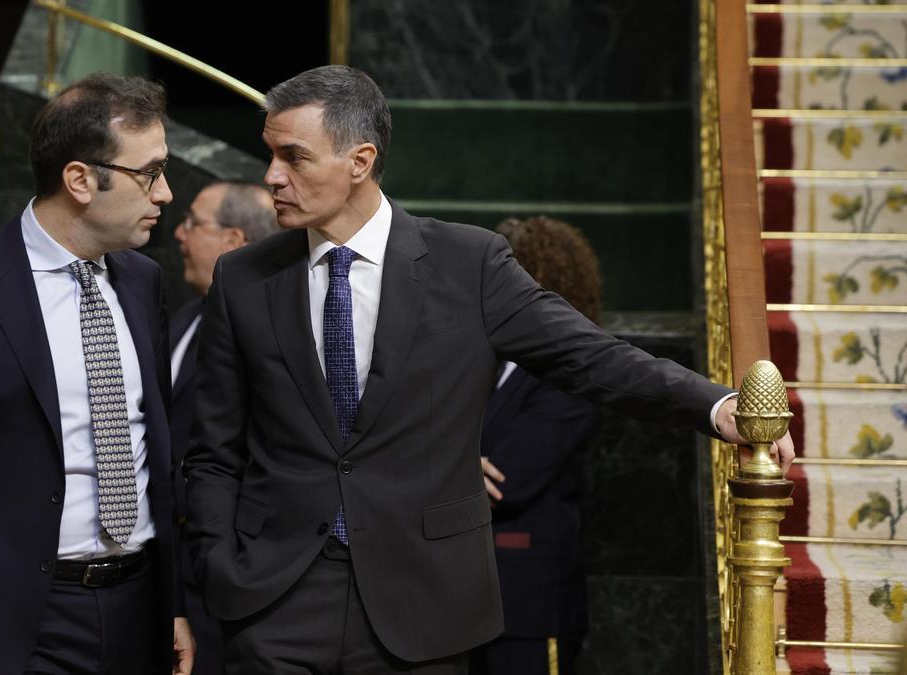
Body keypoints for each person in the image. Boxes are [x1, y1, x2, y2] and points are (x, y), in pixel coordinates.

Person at [182, 65, 793, 673]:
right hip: (274, 601)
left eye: (293, 157)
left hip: (422, 603)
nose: (271, 178)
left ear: (360, 161)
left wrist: (715, 405)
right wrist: (219, 563)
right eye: (271, 155)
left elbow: (590, 355)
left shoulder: (469, 264)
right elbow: (213, 449)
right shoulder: (244, 278)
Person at [0, 73, 193, 674]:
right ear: (79, 180)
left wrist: (171, 605)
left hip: (137, 607)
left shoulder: (144, 282)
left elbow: (156, 454)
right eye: (149, 173)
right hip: (12, 619)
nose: (165, 192)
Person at [473, 216, 603, 675]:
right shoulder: (476, 360)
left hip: (527, 603)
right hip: (450, 602)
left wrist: (433, 471)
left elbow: (508, 480)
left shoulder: (569, 374)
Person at [170, 181, 278, 674]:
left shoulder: (276, 329)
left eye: (193, 223)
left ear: (233, 241)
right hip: (167, 574)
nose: (178, 233)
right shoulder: (181, 317)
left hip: (232, 579)